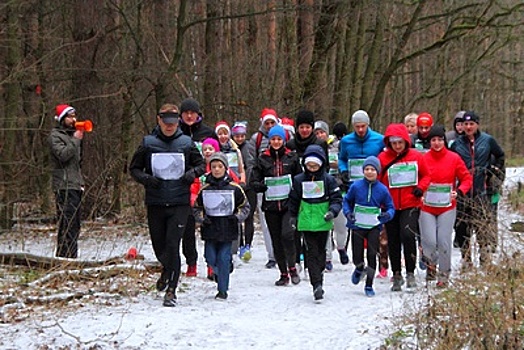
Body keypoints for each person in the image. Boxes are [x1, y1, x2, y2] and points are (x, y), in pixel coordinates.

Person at [129, 104, 205, 307]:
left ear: (178, 122)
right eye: (166, 122)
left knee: (173, 245)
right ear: (158, 120)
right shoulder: (148, 143)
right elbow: (134, 168)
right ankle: (166, 269)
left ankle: (171, 289)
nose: (169, 126)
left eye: (173, 123)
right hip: (156, 201)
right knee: (159, 247)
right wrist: (146, 178)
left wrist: (192, 174)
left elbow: (201, 165)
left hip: (180, 202)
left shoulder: (187, 143)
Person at [377, 123, 431, 291]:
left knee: (408, 235)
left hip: (410, 203)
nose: (398, 146)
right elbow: (377, 180)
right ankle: (397, 273)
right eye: (394, 143)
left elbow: (427, 175)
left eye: (400, 142)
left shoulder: (416, 156)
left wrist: (420, 188)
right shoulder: (382, 158)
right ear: (389, 143)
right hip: (391, 205)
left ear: (406, 141)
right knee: (393, 239)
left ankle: (410, 272)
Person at [450, 111, 505, 267]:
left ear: (477, 125)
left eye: (471, 124)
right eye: (465, 124)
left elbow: (500, 155)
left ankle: (484, 257)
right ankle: (466, 259)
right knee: (462, 227)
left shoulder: (487, 141)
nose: (468, 127)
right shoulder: (457, 144)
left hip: (482, 189)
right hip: (463, 191)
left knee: (482, 226)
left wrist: (493, 171)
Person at [420, 125, 472, 287]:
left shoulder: (453, 158)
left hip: (447, 206)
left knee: (443, 241)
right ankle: (431, 264)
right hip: (426, 206)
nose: (436, 143)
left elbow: (466, 178)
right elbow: (416, 178)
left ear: (445, 141)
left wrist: (460, 191)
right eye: (433, 140)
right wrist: (419, 191)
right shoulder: (423, 159)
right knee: (428, 241)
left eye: (440, 140)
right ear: (429, 142)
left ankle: (444, 275)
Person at [250, 124, 303, 286]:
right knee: (276, 239)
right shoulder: (262, 159)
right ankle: (283, 273)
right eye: (273, 139)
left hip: (288, 204)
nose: (276, 142)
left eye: (279, 139)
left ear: (284, 140)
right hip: (271, 205)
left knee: (287, 235)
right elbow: (254, 181)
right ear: (269, 140)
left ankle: (292, 267)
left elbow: (300, 177)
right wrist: (261, 186)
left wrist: (296, 189)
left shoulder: (292, 157)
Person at [289, 144, 342, 301]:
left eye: (315, 165)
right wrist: (293, 216)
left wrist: (332, 211)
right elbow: (293, 200)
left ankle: (319, 275)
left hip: (323, 220)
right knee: (311, 252)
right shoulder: (298, 180)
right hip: (306, 221)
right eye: (309, 165)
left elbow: (337, 199)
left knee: (321, 252)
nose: (312, 168)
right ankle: (316, 284)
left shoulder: (329, 180)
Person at [193, 152, 250, 300]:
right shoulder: (204, 189)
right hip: (210, 229)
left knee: (224, 258)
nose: (217, 169)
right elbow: (196, 208)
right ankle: (220, 272)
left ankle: (222, 289)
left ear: (226, 168)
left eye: (220, 166)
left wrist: (236, 217)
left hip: (228, 230)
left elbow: (245, 207)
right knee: (210, 257)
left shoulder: (235, 188)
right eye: (213, 166)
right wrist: (202, 219)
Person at [338, 110, 384, 274]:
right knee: (356, 223)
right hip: (355, 186)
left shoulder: (379, 139)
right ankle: (358, 262)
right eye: (357, 127)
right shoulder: (346, 141)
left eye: (363, 126)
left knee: (373, 224)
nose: (360, 130)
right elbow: (342, 158)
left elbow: (385, 159)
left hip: (374, 186)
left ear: (368, 124)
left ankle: (375, 261)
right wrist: (343, 170)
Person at [343, 156, 395, 297]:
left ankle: (369, 285)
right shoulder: (356, 186)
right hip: (358, 225)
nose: (370, 172)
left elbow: (391, 207)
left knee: (372, 254)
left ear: (378, 172)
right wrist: (348, 213)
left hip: (374, 226)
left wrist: (387, 215)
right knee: (357, 255)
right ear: (363, 171)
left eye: (373, 169)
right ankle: (359, 268)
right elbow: (346, 201)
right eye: (367, 169)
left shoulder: (382, 189)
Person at [178, 98, 214, 277]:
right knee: (187, 228)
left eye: (193, 112)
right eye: (186, 113)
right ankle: (191, 263)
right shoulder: (176, 133)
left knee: (210, 225)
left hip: (207, 184)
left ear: (198, 114)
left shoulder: (208, 132)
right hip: (185, 184)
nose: (190, 116)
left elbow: (219, 157)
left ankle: (211, 263)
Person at [48, 104, 85, 259]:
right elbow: (63, 156)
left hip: (75, 184)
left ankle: (71, 256)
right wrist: (76, 141)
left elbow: (77, 161)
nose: (73, 119)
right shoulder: (55, 136)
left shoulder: (71, 137)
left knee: (75, 225)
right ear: (62, 119)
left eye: (74, 116)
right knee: (67, 224)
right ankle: (65, 258)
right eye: (69, 117)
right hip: (64, 185)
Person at [314, 120, 347, 272]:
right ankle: (327, 257)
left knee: (341, 224)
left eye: (322, 132)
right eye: (317, 133)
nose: (320, 135)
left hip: (339, 186)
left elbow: (345, 162)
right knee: (325, 224)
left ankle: (341, 248)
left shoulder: (339, 145)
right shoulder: (313, 148)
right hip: (322, 189)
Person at [249, 108, 280, 269]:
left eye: (272, 122)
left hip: (283, 187)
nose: (269, 126)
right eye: (266, 123)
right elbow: (251, 162)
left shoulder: (285, 135)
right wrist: (255, 182)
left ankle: (286, 253)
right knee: (267, 223)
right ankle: (272, 255)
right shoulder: (257, 139)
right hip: (265, 188)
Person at [231, 121, 257, 261]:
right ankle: (238, 243)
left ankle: (247, 245)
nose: (239, 139)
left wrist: (246, 181)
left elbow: (251, 165)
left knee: (248, 217)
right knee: (236, 216)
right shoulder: (230, 148)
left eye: (242, 136)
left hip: (248, 186)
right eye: (237, 136)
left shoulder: (249, 147)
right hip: (235, 186)